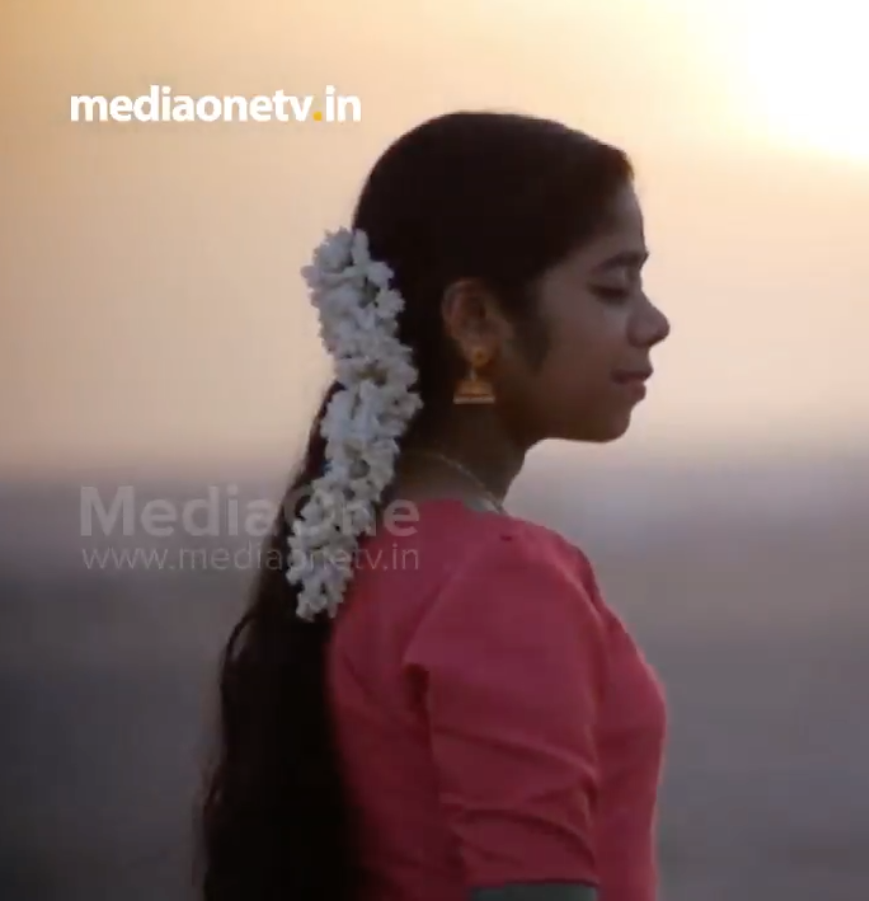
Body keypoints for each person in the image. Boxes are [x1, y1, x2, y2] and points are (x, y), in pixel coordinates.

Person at [196, 111, 672, 901]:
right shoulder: (503, 577)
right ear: (476, 319)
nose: (653, 324)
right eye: (613, 287)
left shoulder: (360, 551)